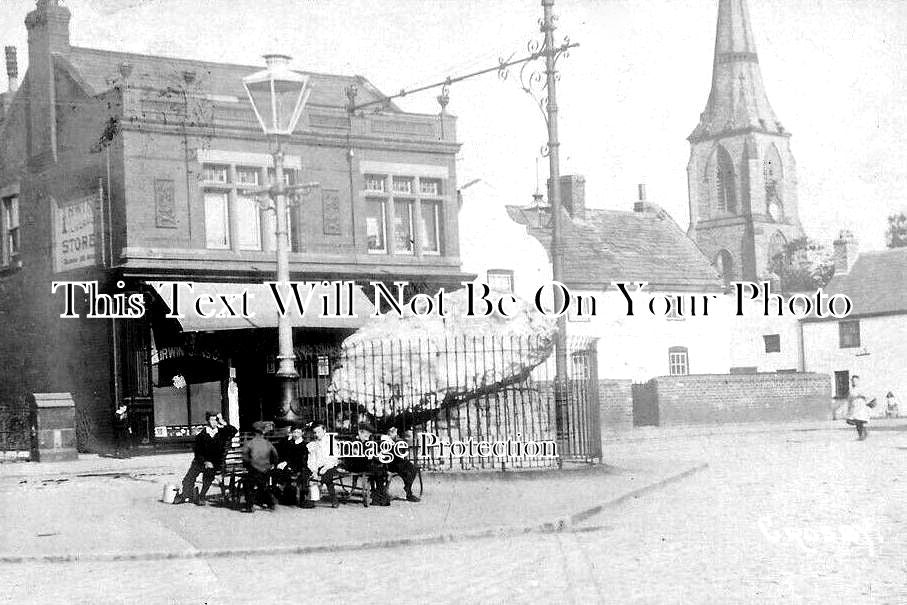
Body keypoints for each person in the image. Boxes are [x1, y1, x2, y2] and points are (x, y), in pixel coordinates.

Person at [175, 412, 237, 505]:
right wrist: (205, 461)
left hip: (215, 463)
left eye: (216, 420)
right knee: (189, 478)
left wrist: (222, 421)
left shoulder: (222, 433)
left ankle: (202, 496)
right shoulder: (201, 435)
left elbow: (233, 431)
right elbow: (198, 451)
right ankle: (186, 494)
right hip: (201, 462)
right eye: (212, 420)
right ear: (208, 421)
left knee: (208, 476)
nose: (214, 422)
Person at [343, 424, 390, 506]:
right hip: (354, 465)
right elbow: (356, 457)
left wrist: (376, 456)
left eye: (369, 435)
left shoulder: (366, 441)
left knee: (381, 470)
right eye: (365, 435)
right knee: (377, 470)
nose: (368, 437)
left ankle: (378, 496)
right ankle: (379, 497)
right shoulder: (352, 441)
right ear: (359, 432)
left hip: (364, 464)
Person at [241, 421, 279, 513]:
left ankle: (249, 506)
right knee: (262, 486)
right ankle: (271, 504)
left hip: (254, 470)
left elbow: (245, 458)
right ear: (263, 432)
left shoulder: (249, 443)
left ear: (253, 432)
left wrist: (249, 466)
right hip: (266, 470)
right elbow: (275, 456)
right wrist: (271, 465)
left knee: (248, 485)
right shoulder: (268, 443)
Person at [275, 424, 314, 508]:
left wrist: (287, 463)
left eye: (298, 432)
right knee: (279, 472)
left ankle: (302, 499)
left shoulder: (304, 445)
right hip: (287, 465)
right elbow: (281, 453)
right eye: (294, 432)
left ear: (302, 433)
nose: (296, 434)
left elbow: (301, 459)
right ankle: (288, 497)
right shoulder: (287, 442)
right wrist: (282, 462)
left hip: (300, 466)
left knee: (301, 475)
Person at [382, 427, 420, 502]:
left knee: (413, 469)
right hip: (390, 464)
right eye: (392, 432)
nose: (394, 434)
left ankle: (407, 488)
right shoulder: (384, 439)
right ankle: (409, 493)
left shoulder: (396, 440)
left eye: (395, 431)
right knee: (406, 472)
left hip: (398, 462)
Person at [307, 422, 339, 508]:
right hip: (318, 466)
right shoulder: (313, 444)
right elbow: (312, 459)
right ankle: (313, 499)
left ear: (324, 431)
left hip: (330, 465)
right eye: (315, 432)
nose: (317, 434)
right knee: (313, 476)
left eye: (319, 432)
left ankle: (334, 499)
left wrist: (325, 467)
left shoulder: (331, 442)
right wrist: (314, 470)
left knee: (326, 477)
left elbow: (333, 458)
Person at [846, 375, 875, 441]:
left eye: (855, 381)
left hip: (860, 408)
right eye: (853, 381)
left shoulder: (861, 389)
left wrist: (867, 400)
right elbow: (849, 399)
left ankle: (862, 434)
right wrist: (848, 408)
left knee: (859, 421)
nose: (854, 382)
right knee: (856, 422)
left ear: (858, 381)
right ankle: (863, 433)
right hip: (854, 408)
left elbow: (867, 396)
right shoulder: (851, 390)